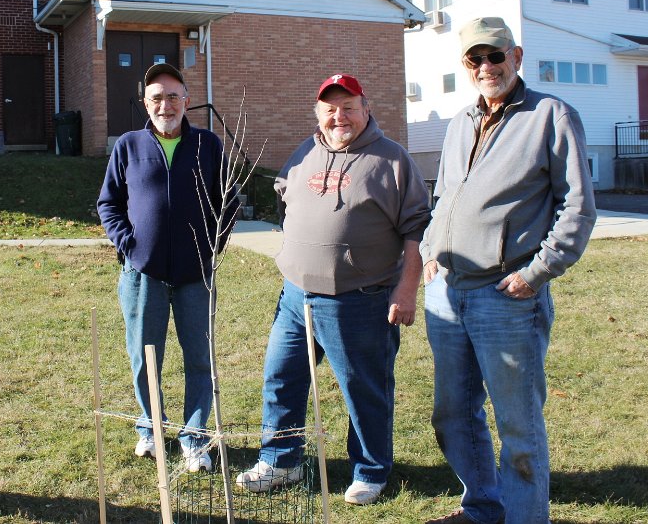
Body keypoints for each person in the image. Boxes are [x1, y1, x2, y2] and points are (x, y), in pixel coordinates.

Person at [421, 17, 597, 524]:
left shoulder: (550, 115)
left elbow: (577, 207)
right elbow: (443, 196)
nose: (486, 67)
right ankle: (482, 507)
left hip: (507, 297)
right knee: (453, 416)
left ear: (516, 57)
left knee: (518, 426)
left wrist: (537, 272)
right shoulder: (459, 122)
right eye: (475, 59)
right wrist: (431, 249)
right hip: (447, 293)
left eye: (495, 56)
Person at [236, 73, 431, 506]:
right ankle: (281, 460)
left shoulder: (392, 160)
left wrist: (406, 290)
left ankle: (370, 471)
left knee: (363, 390)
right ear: (318, 114)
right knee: (281, 379)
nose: (339, 116)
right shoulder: (306, 151)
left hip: (359, 299)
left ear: (366, 109)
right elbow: (284, 193)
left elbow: (417, 230)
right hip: (295, 297)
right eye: (330, 109)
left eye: (348, 107)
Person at [97, 62, 237, 473]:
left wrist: (211, 246)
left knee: (199, 358)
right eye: (157, 97)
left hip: (196, 276)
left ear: (186, 101)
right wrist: (129, 244)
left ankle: (195, 437)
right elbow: (108, 203)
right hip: (143, 274)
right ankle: (151, 429)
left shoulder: (208, 145)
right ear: (146, 103)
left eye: (173, 96)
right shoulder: (128, 145)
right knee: (145, 357)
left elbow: (229, 200)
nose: (166, 105)